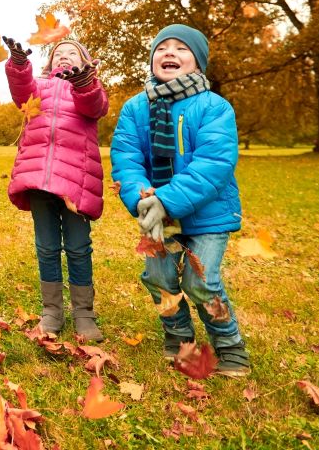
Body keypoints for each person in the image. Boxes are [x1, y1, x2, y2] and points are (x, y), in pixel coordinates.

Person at [110, 24, 251, 377]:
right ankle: (178, 338)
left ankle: (229, 344)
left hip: (207, 215)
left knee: (201, 282)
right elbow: (126, 158)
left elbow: (213, 164)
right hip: (156, 216)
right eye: (162, 48)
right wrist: (142, 199)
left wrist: (167, 201)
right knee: (159, 279)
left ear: (198, 63)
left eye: (181, 48)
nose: (169, 53)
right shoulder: (136, 108)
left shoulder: (214, 107)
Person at [3, 37, 109, 341]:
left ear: (85, 62)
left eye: (72, 53)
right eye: (58, 53)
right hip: (39, 177)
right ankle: (51, 311)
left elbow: (95, 106)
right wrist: (20, 65)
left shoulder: (90, 88)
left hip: (76, 180)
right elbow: (21, 92)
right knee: (46, 246)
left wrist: (83, 81)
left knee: (78, 247)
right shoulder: (39, 87)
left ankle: (84, 313)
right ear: (49, 63)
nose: (64, 57)